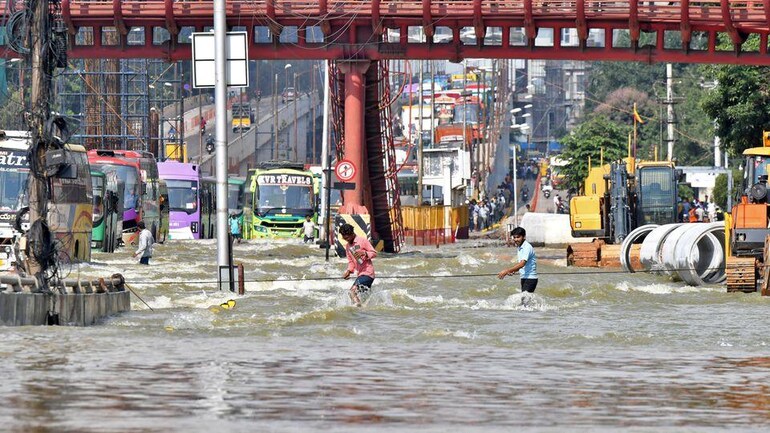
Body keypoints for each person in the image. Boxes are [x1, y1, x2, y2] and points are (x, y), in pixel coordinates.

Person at [340, 223, 377, 307]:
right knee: (359, 297)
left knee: (352, 292)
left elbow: (374, 253)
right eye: (344, 238)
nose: (346, 239)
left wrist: (364, 253)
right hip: (360, 275)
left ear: (352, 234)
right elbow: (351, 262)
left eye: (347, 237)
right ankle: (361, 313)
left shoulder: (362, 241)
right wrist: (349, 271)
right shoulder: (348, 246)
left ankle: (358, 309)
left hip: (368, 273)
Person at [497, 226, 538, 293]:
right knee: (526, 301)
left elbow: (522, 264)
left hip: (530, 279)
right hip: (524, 277)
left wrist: (506, 271)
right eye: (514, 237)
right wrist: (513, 271)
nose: (516, 239)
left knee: (525, 301)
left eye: (518, 237)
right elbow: (523, 265)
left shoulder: (526, 247)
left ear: (524, 237)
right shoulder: (520, 247)